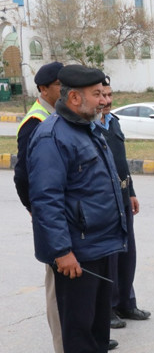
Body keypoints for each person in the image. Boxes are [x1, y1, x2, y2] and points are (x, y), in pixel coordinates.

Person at [28, 64, 127, 352]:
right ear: (74, 98)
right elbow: (46, 199)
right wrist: (61, 252)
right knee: (78, 337)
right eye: (96, 94)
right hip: (76, 256)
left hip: (101, 246)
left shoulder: (90, 128)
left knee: (97, 334)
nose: (103, 100)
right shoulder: (52, 136)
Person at [13, 62, 65, 353]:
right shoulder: (35, 122)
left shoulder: (56, 116)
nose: (64, 88)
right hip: (50, 215)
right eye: (59, 84)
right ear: (43, 89)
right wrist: (36, 209)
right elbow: (23, 176)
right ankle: (63, 344)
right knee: (58, 286)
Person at [97, 76, 151, 328]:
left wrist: (130, 191)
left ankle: (126, 304)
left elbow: (122, 162)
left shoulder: (113, 122)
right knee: (109, 257)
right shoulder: (87, 126)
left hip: (121, 197)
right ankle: (107, 309)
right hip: (103, 201)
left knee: (128, 253)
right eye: (100, 95)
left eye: (109, 95)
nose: (106, 101)